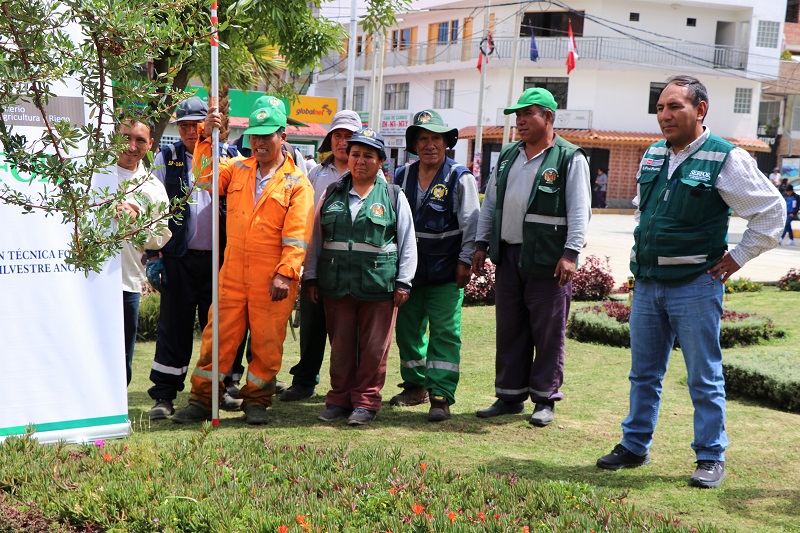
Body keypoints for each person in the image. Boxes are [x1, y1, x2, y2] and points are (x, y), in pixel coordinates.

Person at [596, 75, 784, 489]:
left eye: (675, 106)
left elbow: (771, 213)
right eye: (661, 107)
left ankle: (710, 456)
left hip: (695, 286)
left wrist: (736, 258)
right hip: (648, 284)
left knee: (704, 374)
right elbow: (643, 213)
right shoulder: (653, 155)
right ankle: (634, 445)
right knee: (643, 373)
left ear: (700, 110)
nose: (664, 115)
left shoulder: (725, 158)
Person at [170, 101, 314, 425]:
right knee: (217, 337)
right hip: (232, 270)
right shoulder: (238, 168)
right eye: (254, 137)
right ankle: (203, 400)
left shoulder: (297, 183)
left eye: (267, 136)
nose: (260, 143)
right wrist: (207, 135)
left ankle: (257, 401)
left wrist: (286, 273)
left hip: (272, 276)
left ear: (283, 135)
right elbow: (204, 178)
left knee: (266, 342)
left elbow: (298, 236)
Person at [471, 87, 591, 427]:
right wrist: (481, 244)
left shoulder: (569, 157)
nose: (520, 121)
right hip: (509, 255)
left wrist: (571, 253)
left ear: (549, 117)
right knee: (510, 327)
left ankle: (545, 399)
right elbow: (491, 202)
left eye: (528, 114)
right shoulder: (509, 155)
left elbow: (580, 210)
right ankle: (509, 396)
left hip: (550, 260)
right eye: (518, 116)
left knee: (548, 331)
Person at [304, 128, 417, 426]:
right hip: (337, 284)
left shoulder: (393, 196)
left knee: (374, 348)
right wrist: (311, 277)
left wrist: (404, 281)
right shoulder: (331, 194)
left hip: (379, 286)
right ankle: (339, 399)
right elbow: (315, 239)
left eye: (368, 155)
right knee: (340, 346)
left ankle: (366, 402)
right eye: (355, 154)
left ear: (381, 162)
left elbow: (407, 242)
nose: (360, 161)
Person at [145, 97, 241, 419]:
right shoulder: (166, 157)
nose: (189, 131)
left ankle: (223, 387)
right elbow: (153, 209)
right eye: (183, 125)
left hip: (220, 260)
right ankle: (164, 395)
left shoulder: (230, 157)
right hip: (179, 258)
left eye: (196, 125)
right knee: (174, 327)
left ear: (209, 125)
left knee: (221, 328)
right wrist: (153, 255)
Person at [390, 109, 480, 422]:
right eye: (423, 139)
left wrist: (465, 261)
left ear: (446, 143)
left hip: (445, 272)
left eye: (436, 139)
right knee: (408, 331)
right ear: (414, 144)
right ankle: (415, 387)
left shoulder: (460, 177)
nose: (430, 145)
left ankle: (440, 397)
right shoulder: (401, 176)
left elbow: (471, 224)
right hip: (409, 273)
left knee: (445, 333)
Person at [280, 110, 363, 402]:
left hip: (354, 266)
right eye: (338, 136)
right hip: (319, 260)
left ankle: (349, 386)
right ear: (330, 139)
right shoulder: (315, 173)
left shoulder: (367, 172)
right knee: (312, 325)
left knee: (347, 331)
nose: (343, 142)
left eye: (350, 137)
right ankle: (304, 380)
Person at [112, 115, 171, 385]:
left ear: (151, 144)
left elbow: (160, 238)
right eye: (125, 136)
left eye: (139, 140)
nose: (131, 146)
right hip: (84, 280)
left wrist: (139, 223)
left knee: (121, 356)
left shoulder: (154, 189)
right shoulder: (91, 175)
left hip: (126, 282)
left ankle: (116, 413)